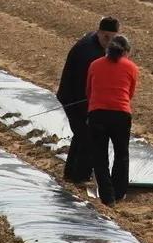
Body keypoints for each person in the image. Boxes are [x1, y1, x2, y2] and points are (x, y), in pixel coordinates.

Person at [57, 17, 120, 184]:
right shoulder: (88, 53)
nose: (110, 42)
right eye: (106, 37)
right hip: (74, 98)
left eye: (114, 38)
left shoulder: (99, 45)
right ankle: (80, 177)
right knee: (89, 137)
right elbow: (82, 87)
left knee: (81, 135)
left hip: (81, 96)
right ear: (99, 32)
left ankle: (71, 174)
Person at [86, 35, 138, 206]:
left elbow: (89, 91)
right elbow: (130, 94)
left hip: (97, 114)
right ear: (126, 52)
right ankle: (119, 192)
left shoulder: (95, 65)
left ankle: (107, 197)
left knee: (99, 156)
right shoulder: (132, 67)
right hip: (121, 115)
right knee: (121, 154)